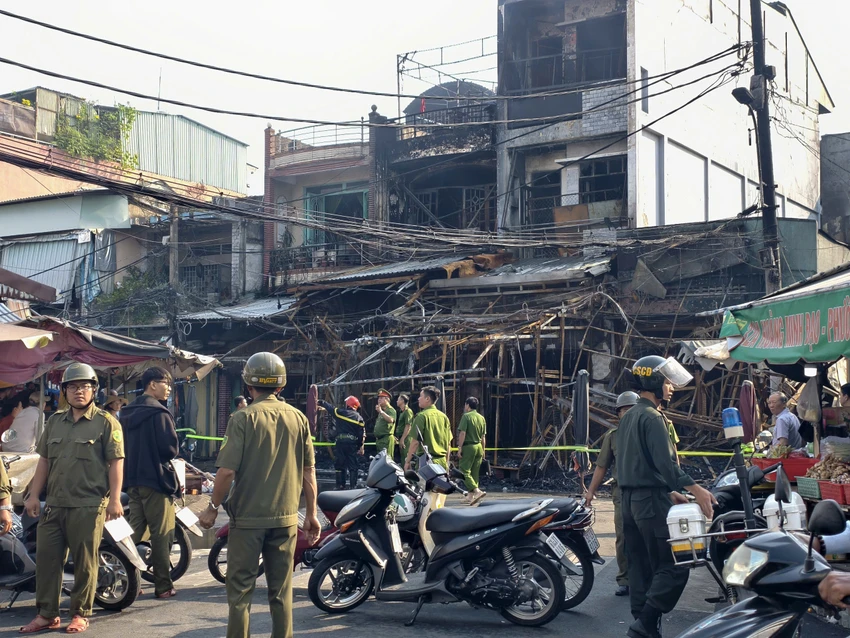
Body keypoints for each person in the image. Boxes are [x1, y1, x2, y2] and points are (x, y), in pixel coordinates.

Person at [198, 352, 319, 638]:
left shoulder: (242, 419)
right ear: (281, 386)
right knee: (281, 592)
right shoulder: (299, 419)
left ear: (248, 386)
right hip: (286, 519)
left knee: (240, 593)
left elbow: (226, 472)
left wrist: (212, 507)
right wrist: (311, 515)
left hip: (248, 521)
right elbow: (308, 473)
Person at [21, 363, 124, 635]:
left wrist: (115, 500)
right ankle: (47, 614)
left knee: (85, 562)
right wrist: (33, 495)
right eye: (73, 386)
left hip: (88, 505)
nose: (80, 391)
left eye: (85, 386)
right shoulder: (55, 421)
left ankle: (79, 613)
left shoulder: (106, 422)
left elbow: (116, 463)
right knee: (47, 560)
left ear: (94, 390)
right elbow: (43, 461)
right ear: (65, 391)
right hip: (54, 504)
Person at [618, 355, 717, 638]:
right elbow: (666, 465)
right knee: (675, 563)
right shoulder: (652, 417)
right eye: (667, 381)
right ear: (654, 382)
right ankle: (646, 624)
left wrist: (670, 491)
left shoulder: (628, 417)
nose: (672, 387)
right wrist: (696, 489)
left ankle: (643, 627)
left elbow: (639, 463)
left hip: (628, 501)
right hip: (649, 503)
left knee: (640, 568)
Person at [120, 367, 180, 600]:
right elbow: (170, 450)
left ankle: (127, 578)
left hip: (132, 481)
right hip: (155, 481)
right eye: (165, 383)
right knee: (161, 533)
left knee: (134, 533)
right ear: (152, 384)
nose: (168, 388)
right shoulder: (159, 413)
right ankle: (163, 585)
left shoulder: (125, 413)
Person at [585, 390, 640, 597]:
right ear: (618, 414)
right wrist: (590, 492)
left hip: (648, 493)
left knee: (649, 536)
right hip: (622, 493)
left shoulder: (653, 431)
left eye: (631, 410)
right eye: (624, 410)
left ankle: (647, 577)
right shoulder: (613, 437)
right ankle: (625, 579)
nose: (627, 414)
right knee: (623, 536)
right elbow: (601, 466)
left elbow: (670, 461)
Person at [318, 392, 364, 490]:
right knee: (353, 466)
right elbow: (361, 434)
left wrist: (321, 402)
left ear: (348, 405)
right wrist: (359, 446)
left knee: (340, 464)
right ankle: (353, 486)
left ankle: (340, 485)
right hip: (352, 444)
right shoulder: (359, 418)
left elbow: (331, 408)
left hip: (340, 443)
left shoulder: (341, 413)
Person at [404, 386, 452, 471]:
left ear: (427, 399)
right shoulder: (444, 417)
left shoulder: (421, 416)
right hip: (442, 461)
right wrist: (447, 462)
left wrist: (407, 461)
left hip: (427, 462)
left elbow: (415, 442)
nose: (418, 399)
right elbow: (448, 444)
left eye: (420, 396)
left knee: (423, 484)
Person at [457, 396, 487, 505]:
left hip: (469, 446)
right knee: (474, 472)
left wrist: (460, 448)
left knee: (464, 471)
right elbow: (483, 436)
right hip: (479, 446)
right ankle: (470, 497)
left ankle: (477, 491)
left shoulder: (466, 417)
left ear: (468, 405)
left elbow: (463, 433)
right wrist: (483, 450)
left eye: (465, 405)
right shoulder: (481, 418)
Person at [374, 388, 396, 458]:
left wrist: (381, 411)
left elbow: (391, 420)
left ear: (387, 399)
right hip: (380, 440)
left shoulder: (390, 410)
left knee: (387, 459)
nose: (379, 400)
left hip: (386, 440)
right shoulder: (382, 411)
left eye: (381, 398)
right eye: (378, 398)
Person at [394, 393, 414, 464]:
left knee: (406, 459)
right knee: (402, 459)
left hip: (406, 439)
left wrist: (402, 439)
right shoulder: (402, 412)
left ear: (402, 401)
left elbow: (408, 426)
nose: (396, 401)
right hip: (401, 437)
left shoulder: (408, 411)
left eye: (398, 399)